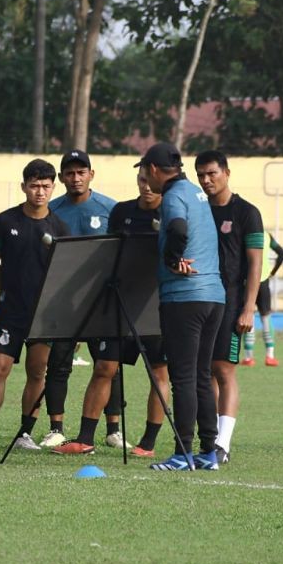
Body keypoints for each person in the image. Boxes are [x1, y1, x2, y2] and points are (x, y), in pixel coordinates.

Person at [52, 165, 171, 455]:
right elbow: (108, 254)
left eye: (151, 181)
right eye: (142, 180)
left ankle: (148, 443)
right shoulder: (121, 211)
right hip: (119, 302)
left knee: (158, 372)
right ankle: (84, 439)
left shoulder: (173, 213)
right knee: (104, 367)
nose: (146, 186)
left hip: (158, 306)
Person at [0, 160, 70, 450]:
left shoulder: (60, 227)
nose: (40, 192)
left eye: (46, 186)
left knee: (37, 372)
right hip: (11, 312)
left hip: (44, 315)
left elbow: (64, 272)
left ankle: (25, 433)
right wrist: (7, 287)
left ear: (53, 187)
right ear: (24, 187)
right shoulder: (7, 221)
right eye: (34, 185)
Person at [137, 142, 224, 471]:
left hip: (185, 297)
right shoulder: (196, 193)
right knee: (202, 376)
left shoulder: (173, 196)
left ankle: (182, 453)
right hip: (213, 296)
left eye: (145, 172)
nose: (146, 180)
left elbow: (177, 228)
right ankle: (207, 452)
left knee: (184, 378)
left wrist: (172, 259)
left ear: (155, 170)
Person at [39, 150, 118, 448]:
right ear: (61, 178)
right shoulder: (52, 210)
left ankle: (113, 430)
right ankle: (56, 427)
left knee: (109, 365)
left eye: (81, 172)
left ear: (91, 174)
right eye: (69, 173)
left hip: (103, 301)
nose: (76, 178)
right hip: (64, 301)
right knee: (58, 364)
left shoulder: (110, 208)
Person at [195, 150, 264, 465]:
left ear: (226, 173)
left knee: (223, 369)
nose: (207, 180)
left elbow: (255, 264)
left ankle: (223, 443)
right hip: (198, 299)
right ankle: (208, 439)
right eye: (201, 175)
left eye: (212, 173)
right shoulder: (197, 210)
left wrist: (249, 307)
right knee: (203, 372)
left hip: (232, 301)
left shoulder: (248, 212)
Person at [241, 232, 283, 367]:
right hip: (264, 280)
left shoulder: (245, 235)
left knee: (248, 315)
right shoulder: (267, 235)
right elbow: (281, 254)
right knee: (266, 316)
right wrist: (272, 272)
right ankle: (270, 356)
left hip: (248, 280)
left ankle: (249, 357)